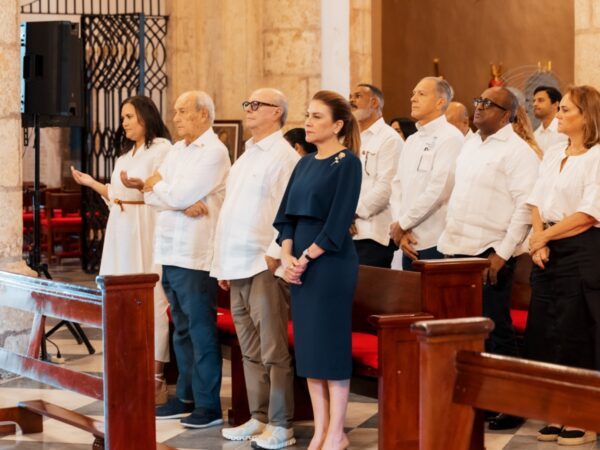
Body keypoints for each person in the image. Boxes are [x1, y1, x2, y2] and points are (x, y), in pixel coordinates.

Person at [437, 87, 539, 431]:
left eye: (487, 104)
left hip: (489, 252)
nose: (478, 107)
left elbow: (525, 207)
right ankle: (478, 397)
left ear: (507, 114)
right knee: (466, 332)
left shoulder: (517, 152)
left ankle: (512, 404)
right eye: (478, 101)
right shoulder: (471, 144)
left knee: (497, 331)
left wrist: (502, 253)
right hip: (456, 249)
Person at [274, 90, 362, 450]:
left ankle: (337, 431)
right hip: (300, 265)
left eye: (316, 117)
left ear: (337, 125)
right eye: (307, 115)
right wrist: (286, 256)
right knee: (309, 349)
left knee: (331, 346)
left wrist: (306, 257)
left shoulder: (348, 162)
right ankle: (321, 430)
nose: (307, 122)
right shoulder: (305, 162)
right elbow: (287, 217)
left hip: (331, 263)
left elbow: (339, 221)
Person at [71, 95, 172, 404]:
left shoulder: (163, 150)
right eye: (123, 117)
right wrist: (92, 183)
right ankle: (128, 369)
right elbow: (116, 193)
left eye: (129, 116)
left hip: (145, 225)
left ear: (145, 116)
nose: (124, 122)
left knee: (151, 299)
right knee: (121, 299)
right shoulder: (126, 155)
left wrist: (142, 184)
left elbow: (165, 188)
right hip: (121, 228)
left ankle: (156, 377)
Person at [213, 88, 299, 449]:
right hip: (236, 262)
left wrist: (274, 252)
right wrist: (220, 262)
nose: (247, 109)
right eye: (246, 103)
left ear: (276, 112)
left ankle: (282, 424)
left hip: (263, 264)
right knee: (247, 348)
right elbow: (230, 211)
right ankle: (259, 417)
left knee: (272, 348)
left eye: (255, 104)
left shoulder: (283, 156)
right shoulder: (246, 156)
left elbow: (288, 211)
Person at [148, 91, 230, 429]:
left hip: (195, 254)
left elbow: (168, 190)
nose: (176, 117)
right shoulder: (177, 150)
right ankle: (185, 397)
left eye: (183, 112)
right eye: (176, 112)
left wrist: (169, 193)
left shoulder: (214, 152)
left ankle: (208, 406)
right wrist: (177, 200)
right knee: (180, 328)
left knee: (200, 329)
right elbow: (150, 194)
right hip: (168, 250)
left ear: (203, 115)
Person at [526, 85, 600, 446]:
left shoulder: (597, 156)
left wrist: (544, 238)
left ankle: (586, 416)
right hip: (549, 247)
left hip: (581, 249)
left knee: (577, 331)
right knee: (547, 331)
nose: (558, 115)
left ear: (586, 116)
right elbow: (537, 199)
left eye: (565, 110)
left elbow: (589, 213)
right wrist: (539, 236)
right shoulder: (554, 153)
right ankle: (557, 410)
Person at [389, 77, 463, 271]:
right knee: (411, 301)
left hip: (435, 240)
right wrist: (400, 226)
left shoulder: (451, 137)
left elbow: (439, 190)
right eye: (413, 93)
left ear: (440, 102)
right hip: (408, 239)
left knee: (434, 301)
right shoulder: (412, 139)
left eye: (421, 94)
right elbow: (397, 185)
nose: (413, 98)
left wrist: (403, 223)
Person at [349, 83, 403, 267]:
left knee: (369, 293)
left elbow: (386, 187)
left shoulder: (389, 138)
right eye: (350, 96)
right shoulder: (351, 137)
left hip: (372, 233)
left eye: (357, 96)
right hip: (347, 231)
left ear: (374, 102)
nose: (351, 100)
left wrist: (351, 212)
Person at [533, 85, 568, 153]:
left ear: (555, 104)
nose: (535, 104)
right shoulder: (534, 136)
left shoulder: (566, 131)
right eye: (534, 101)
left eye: (540, 100)